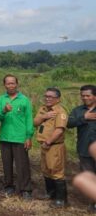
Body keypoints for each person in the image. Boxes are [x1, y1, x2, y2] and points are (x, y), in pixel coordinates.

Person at [0, 74, 34, 199]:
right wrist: (4, 110)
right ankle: (9, 187)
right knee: (7, 164)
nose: (11, 85)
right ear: (4, 85)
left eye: (13, 83)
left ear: (17, 84)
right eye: (8, 83)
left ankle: (25, 189)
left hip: (20, 137)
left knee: (22, 164)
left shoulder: (24, 100)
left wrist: (28, 136)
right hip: (5, 137)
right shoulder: (1, 99)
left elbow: (29, 119)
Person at [34, 88, 68, 208]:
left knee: (56, 171)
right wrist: (45, 116)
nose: (47, 98)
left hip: (54, 146)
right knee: (46, 170)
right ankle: (50, 193)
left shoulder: (60, 111)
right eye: (46, 96)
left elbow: (59, 130)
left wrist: (48, 142)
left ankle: (61, 199)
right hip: (44, 145)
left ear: (58, 99)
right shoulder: (43, 109)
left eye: (51, 97)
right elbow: (35, 122)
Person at [67, 84, 96, 212]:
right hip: (84, 149)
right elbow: (69, 123)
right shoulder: (78, 110)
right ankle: (93, 202)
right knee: (89, 175)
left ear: (94, 96)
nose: (85, 98)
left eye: (88, 95)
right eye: (82, 95)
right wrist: (84, 117)